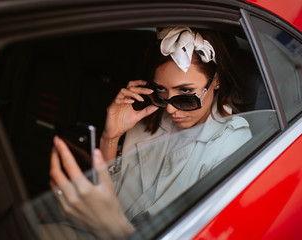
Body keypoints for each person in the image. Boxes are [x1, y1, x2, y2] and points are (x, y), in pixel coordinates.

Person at [49, 27, 252, 239]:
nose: (171, 109)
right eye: (162, 92)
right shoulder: (148, 119)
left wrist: (114, 227)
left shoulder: (231, 141)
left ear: (216, 80)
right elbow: (110, 198)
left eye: (185, 93)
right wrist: (111, 137)